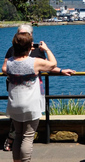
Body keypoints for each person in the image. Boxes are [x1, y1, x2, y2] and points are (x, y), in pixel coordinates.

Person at [2, 24, 75, 152]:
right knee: (27, 136)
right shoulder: (19, 53)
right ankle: (12, 142)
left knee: (20, 132)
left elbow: (46, 67)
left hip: (19, 95)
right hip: (28, 96)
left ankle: (14, 150)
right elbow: (50, 64)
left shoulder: (32, 54)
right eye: (20, 34)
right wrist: (47, 50)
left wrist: (61, 71)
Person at [2, 32, 57, 162]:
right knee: (28, 136)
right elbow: (53, 64)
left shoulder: (9, 63)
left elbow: (4, 68)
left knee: (18, 135)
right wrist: (47, 49)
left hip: (14, 104)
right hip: (31, 105)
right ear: (29, 47)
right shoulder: (35, 62)